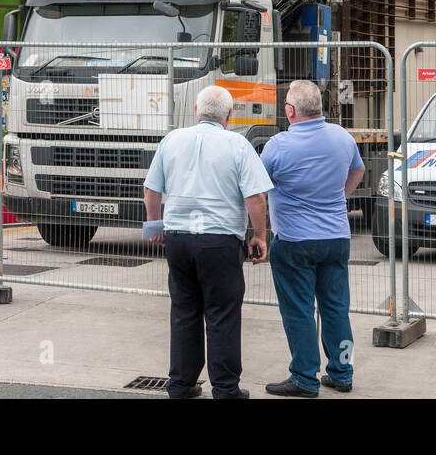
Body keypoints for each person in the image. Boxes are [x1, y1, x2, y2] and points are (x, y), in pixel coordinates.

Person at [142, 84, 273, 400]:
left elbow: (151, 189)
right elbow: (256, 197)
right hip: (219, 241)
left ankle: (181, 384)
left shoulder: (172, 139)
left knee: (184, 310)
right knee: (222, 313)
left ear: (196, 112)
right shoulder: (237, 145)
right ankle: (226, 389)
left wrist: (154, 227)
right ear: (230, 114)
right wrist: (259, 235)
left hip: (178, 239)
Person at [259, 80, 365, 397]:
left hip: (294, 241)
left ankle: (305, 378)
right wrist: (339, 199)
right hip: (336, 237)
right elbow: (357, 171)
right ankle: (342, 372)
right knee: (336, 308)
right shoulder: (343, 138)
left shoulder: (279, 145)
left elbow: (257, 187)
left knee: (299, 310)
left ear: (290, 110)